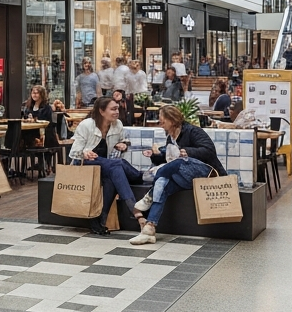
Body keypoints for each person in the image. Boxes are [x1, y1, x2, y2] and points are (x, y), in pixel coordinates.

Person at [130, 105, 225, 245]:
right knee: (162, 182)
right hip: (185, 177)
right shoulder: (171, 137)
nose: (160, 123)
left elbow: (209, 151)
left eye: (162, 120)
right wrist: (156, 155)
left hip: (204, 173)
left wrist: (188, 152)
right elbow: (168, 159)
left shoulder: (193, 131)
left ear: (172, 120)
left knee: (175, 165)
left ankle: (149, 196)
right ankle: (149, 230)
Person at [69, 96, 141, 236]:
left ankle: (99, 220)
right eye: (113, 109)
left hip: (104, 165)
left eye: (117, 109)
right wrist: (85, 152)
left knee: (113, 173)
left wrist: (124, 145)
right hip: (84, 165)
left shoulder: (117, 124)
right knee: (117, 164)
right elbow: (74, 152)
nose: (116, 112)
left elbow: (124, 141)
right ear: (102, 111)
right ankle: (135, 206)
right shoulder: (86, 125)